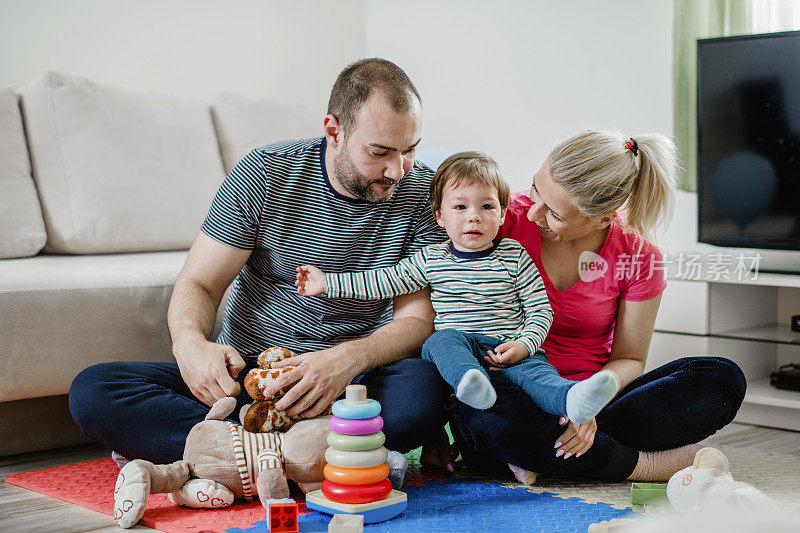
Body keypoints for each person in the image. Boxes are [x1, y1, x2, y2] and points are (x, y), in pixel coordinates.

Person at [68, 58, 451, 467]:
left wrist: (345, 360)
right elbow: (199, 283)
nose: (397, 169)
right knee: (94, 392)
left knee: (423, 393)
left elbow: (415, 321)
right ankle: (309, 454)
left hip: (350, 381)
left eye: (410, 150)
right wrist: (191, 345)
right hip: (248, 381)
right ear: (334, 131)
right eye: (380, 152)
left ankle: (228, 453)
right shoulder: (265, 173)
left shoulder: (424, 195)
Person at [440, 131, 747, 482]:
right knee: (478, 412)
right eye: (536, 188)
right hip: (514, 388)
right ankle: (642, 465)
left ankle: (549, 455)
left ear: (602, 220)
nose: (533, 211)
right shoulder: (497, 221)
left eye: (553, 213)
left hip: (597, 399)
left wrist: (586, 408)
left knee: (721, 378)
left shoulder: (638, 253)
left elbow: (629, 359)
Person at [295, 151, 621, 427]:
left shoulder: (514, 256)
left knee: (540, 374)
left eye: (487, 207)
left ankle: (573, 399)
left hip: (507, 349)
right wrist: (328, 283)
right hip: (459, 348)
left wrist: (524, 345)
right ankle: (470, 381)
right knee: (440, 339)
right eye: (460, 207)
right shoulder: (431, 259)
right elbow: (383, 281)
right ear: (440, 216)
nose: (474, 218)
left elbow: (540, 309)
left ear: (504, 213)